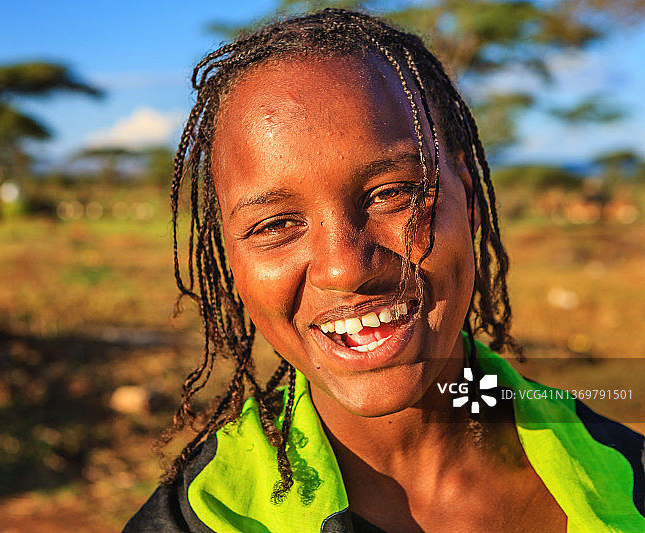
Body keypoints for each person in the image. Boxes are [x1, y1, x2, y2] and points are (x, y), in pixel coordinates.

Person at [124, 9, 645, 532]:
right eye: (275, 224)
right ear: (232, 262)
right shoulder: (200, 518)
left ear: (466, 196)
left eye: (392, 194)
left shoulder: (624, 474)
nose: (344, 268)